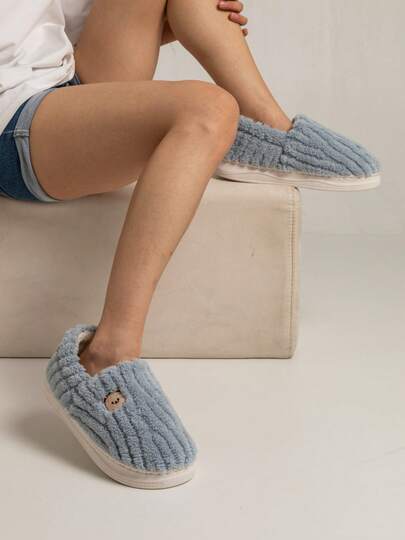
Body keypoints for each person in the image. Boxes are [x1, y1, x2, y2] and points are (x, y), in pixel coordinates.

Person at [0, 0, 381, 489]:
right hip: (12, 117)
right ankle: (106, 354)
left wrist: (169, 20)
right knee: (208, 107)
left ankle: (271, 128)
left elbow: (46, 24)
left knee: (202, 81)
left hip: (63, 82)